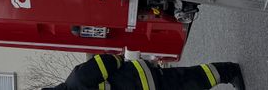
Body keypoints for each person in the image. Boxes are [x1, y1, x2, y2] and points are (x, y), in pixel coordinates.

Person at [43, 53, 245, 90]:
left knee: (195, 80)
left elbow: (109, 61)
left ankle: (229, 72)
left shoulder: (78, 80)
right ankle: (227, 73)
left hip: (148, 81)